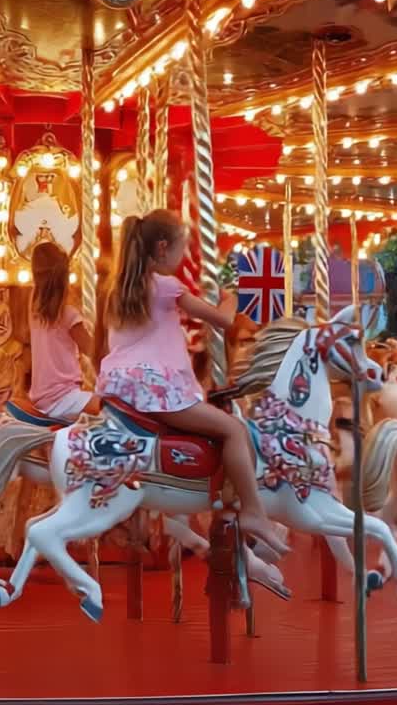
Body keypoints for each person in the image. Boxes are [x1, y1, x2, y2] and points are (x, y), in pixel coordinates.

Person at [96, 210, 287, 557]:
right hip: (159, 390)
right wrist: (230, 296)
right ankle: (254, 511)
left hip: (122, 388)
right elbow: (224, 321)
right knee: (233, 430)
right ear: (163, 248)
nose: (182, 258)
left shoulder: (120, 288)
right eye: (181, 249)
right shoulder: (166, 286)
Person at [28, 242, 96, 420]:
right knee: (114, 411)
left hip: (41, 398)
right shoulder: (69, 315)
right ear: (66, 277)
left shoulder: (34, 309)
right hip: (65, 399)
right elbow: (93, 353)